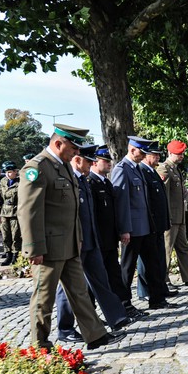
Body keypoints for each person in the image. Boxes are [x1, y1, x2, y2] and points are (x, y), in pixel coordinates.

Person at [18, 123, 124, 350]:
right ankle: (40, 346)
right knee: (43, 299)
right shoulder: (37, 167)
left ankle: (96, 336)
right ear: (58, 143)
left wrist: (79, 238)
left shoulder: (63, 166)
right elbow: (28, 211)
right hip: (48, 248)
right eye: (73, 148)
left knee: (79, 293)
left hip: (71, 244)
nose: (77, 153)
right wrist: (33, 248)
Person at [54, 144, 133, 343]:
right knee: (68, 289)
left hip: (91, 240)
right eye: (89, 161)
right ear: (77, 160)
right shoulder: (68, 178)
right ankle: (65, 329)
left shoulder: (82, 180)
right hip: (75, 243)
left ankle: (116, 318)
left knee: (102, 280)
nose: (92, 164)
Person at [112, 136, 172, 310]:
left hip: (146, 227)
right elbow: (121, 203)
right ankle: (124, 304)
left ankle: (157, 299)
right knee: (128, 268)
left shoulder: (136, 168)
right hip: (132, 229)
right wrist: (124, 229)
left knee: (153, 264)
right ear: (132, 150)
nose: (143, 155)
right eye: (141, 152)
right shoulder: (122, 169)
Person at [88, 147, 147, 320]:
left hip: (110, 239)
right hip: (99, 241)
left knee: (114, 276)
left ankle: (125, 307)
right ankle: (91, 316)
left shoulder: (105, 183)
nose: (109, 164)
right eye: (105, 161)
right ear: (94, 162)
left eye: (109, 161)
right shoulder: (90, 184)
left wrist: (121, 230)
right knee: (94, 281)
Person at [157, 140, 188, 287]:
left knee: (183, 247)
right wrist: (166, 216)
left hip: (179, 217)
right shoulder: (164, 169)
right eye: (178, 153)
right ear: (170, 153)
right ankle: (164, 280)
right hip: (170, 217)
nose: (181, 156)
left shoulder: (175, 169)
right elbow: (164, 196)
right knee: (166, 249)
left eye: (182, 153)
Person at [0, 161, 22, 265]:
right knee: (5, 235)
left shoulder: (20, 182)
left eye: (10, 172)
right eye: (6, 172)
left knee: (15, 235)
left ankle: (15, 255)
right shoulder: (3, 181)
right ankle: (8, 254)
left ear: (15, 172)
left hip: (15, 212)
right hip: (4, 211)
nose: (8, 174)